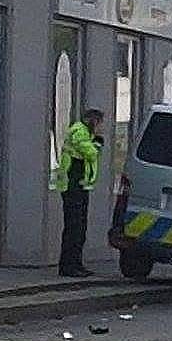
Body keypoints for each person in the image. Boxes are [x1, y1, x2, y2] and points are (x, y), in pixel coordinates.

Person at [56, 109, 105, 277]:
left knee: (79, 228)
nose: (100, 128)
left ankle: (76, 263)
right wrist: (97, 143)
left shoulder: (85, 133)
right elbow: (90, 153)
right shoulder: (79, 131)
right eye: (99, 124)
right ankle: (68, 266)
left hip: (80, 186)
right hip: (72, 186)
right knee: (74, 228)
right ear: (93, 121)